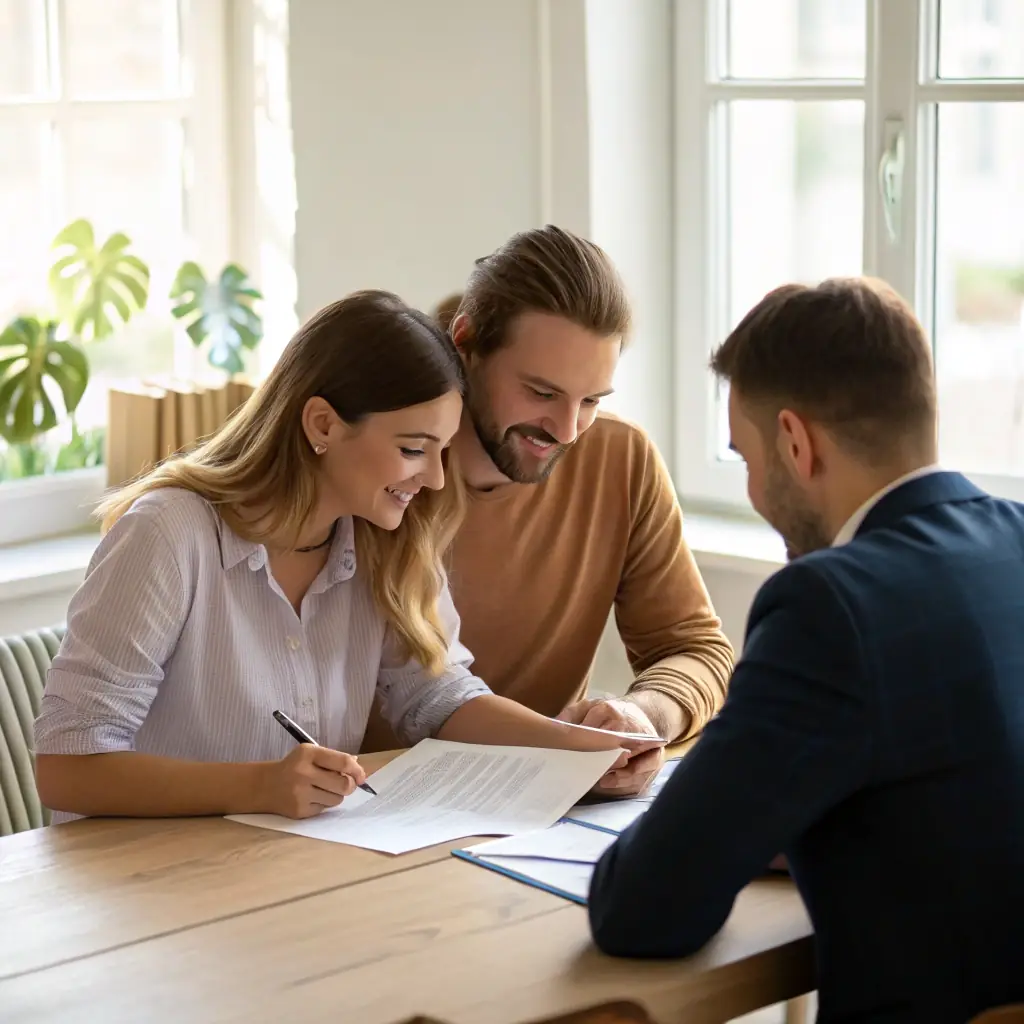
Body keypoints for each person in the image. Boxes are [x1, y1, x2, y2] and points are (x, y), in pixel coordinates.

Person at [33, 291, 653, 823]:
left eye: (441, 450)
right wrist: (261, 786)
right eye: (414, 449)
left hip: (283, 871)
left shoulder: (388, 537)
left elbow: (437, 698)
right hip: (135, 886)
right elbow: (66, 768)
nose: (435, 479)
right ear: (324, 425)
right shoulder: (169, 535)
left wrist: (583, 749)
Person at [587, 278, 1024, 1023]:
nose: (753, 487)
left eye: (745, 457)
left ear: (795, 441)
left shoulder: (830, 606)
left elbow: (645, 909)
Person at [362, 227, 735, 796]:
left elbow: (696, 650)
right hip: (361, 809)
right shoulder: (377, 468)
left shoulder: (622, 459)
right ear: (466, 342)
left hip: (537, 805)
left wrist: (642, 716)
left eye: (590, 401)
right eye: (540, 392)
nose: (566, 431)